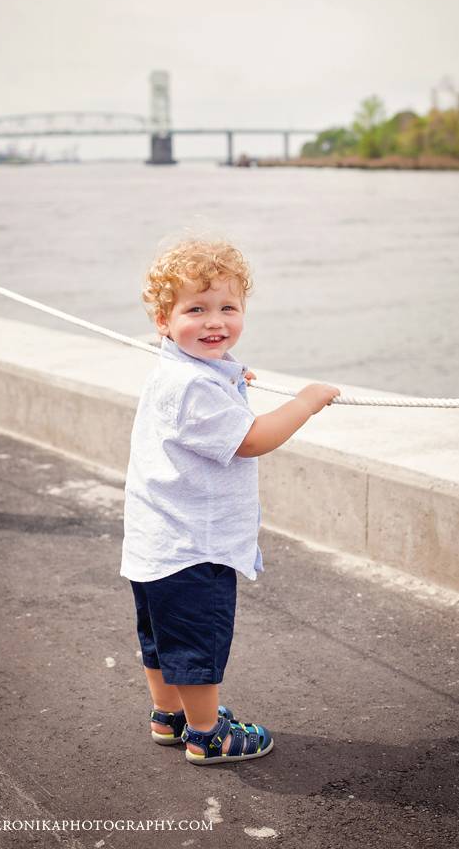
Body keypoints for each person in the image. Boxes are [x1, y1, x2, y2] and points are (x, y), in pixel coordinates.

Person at [120, 237, 340, 765]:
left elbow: (202, 387)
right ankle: (206, 734)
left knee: (161, 639)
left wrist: (230, 376)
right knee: (198, 645)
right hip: (196, 546)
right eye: (195, 309)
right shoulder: (194, 387)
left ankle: (168, 716)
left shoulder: (184, 370)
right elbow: (251, 439)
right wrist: (305, 402)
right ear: (163, 319)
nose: (214, 321)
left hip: (157, 542)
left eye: (228, 308)